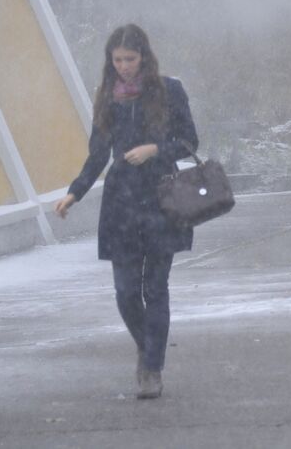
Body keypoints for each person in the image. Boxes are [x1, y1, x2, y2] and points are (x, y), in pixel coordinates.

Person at [54, 24, 199, 400]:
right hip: (121, 203)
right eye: (117, 60)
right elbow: (98, 152)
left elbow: (188, 141)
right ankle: (148, 346)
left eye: (130, 59)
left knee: (156, 288)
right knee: (124, 292)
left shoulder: (169, 91)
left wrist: (154, 149)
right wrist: (75, 193)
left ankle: (151, 369)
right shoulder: (106, 96)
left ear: (144, 57)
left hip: (163, 198)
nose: (124, 67)